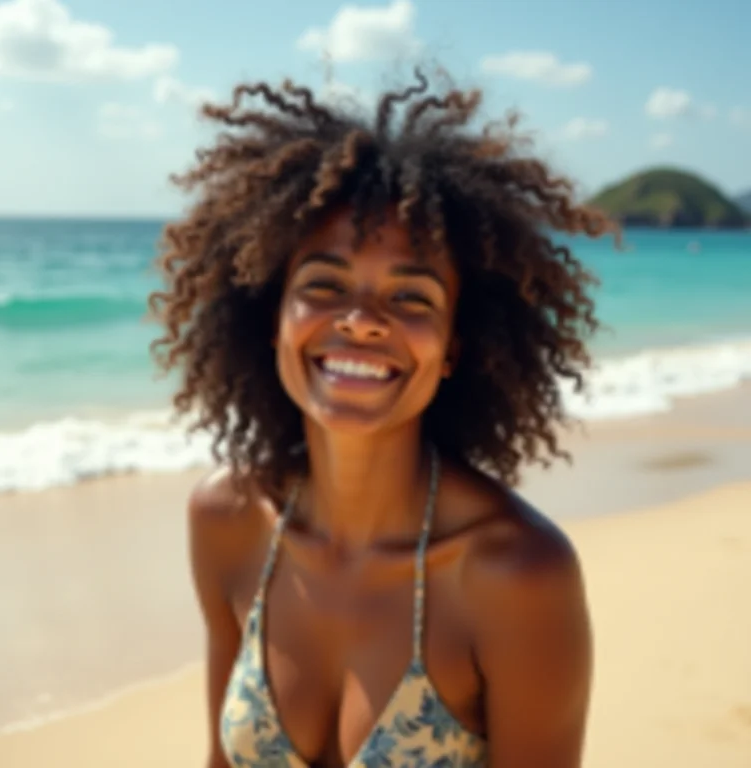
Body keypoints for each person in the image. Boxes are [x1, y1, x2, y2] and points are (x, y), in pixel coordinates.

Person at [149, 68, 612, 768]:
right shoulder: (227, 519)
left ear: (455, 347)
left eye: (412, 299)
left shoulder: (516, 575)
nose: (362, 322)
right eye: (324, 287)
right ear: (271, 318)